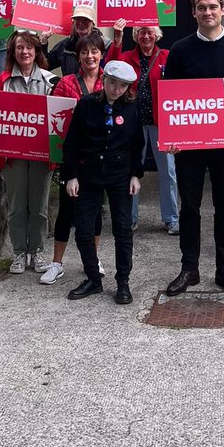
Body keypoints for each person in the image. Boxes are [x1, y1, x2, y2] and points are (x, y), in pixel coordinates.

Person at [162, 0, 224, 297]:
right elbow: (170, 96)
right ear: (194, 12)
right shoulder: (180, 50)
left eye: (213, 7)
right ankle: (189, 269)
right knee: (189, 207)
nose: (208, 12)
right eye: (202, 7)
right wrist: (171, 135)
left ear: (223, 10)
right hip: (189, 144)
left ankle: (223, 269)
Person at [61, 61, 145, 303]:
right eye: (112, 83)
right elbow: (72, 142)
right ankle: (93, 278)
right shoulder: (87, 104)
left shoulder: (131, 107)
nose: (116, 89)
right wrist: (71, 175)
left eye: (122, 86)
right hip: (89, 173)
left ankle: (123, 282)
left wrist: (135, 174)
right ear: (104, 80)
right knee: (83, 230)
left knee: (123, 230)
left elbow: (137, 143)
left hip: (120, 174)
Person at [0, 30, 56, 274]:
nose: (25, 52)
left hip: (41, 154)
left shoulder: (49, 81)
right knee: (16, 206)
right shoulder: (1, 81)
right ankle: (19, 253)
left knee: (39, 206)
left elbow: (58, 116)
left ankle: (37, 251)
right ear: (13, 52)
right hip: (12, 157)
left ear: (36, 50)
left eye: (29, 47)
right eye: (19, 47)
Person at [39, 34, 107, 285]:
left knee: (95, 211)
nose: (90, 56)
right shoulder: (66, 83)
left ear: (101, 54)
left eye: (94, 51)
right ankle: (57, 263)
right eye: (84, 52)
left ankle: (93, 260)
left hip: (99, 157)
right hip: (72, 157)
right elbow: (55, 116)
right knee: (66, 211)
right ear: (78, 56)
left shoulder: (109, 82)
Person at [107, 20, 180, 236]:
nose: (146, 36)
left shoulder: (167, 56)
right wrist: (117, 40)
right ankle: (130, 218)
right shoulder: (127, 58)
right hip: (134, 123)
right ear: (136, 35)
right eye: (141, 32)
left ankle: (171, 219)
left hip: (161, 123)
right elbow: (110, 68)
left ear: (156, 35)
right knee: (131, 171)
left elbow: (180, 82)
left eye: (149, 32)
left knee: (168, 172)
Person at [45, 4, 107, 77]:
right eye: (78, 20)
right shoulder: (66, 45)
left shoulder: (105, 44)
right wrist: (43, 42)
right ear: (73, 22)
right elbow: (46, 65)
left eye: (86, 20)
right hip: (69, 84)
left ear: (92, 23)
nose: (81, 23)